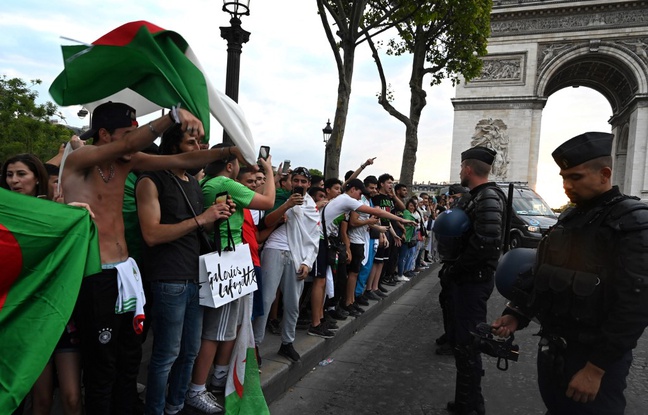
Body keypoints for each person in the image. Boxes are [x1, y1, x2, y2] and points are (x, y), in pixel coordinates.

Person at [61, 101, 248, 415]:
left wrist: (226, 153)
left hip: (127, 274)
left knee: (129, 357)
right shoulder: (80, 159)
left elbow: (182, 158)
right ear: (103, 134)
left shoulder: (126, 161)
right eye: (125, 134)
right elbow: (136, 143)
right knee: (101, 364)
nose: (133, 141)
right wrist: (172, 118)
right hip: (95, 275)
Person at [492, 132, 648, 415]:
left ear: (604, 174)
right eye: (563, 177)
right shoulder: (567, 218)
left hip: (593, 358)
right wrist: (517, 313)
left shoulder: (633, 223)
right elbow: (544, 275)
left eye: (575, 177)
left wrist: (596, 368)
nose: (566, 186)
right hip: (554, 348)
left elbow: (635, 306)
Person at [135, 124, 233, 415]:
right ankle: (155, 410)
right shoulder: (150, 180)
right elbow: (151, 234)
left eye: (202, 142)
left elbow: (198, 228)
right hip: (168, 278)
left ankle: (175, 406)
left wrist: (216, 216)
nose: (200, 147)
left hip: (195, 277)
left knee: (189, 352)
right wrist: (202, 219)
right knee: (166, 355)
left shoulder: (192, 180)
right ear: (173, 147)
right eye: (192, 142)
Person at [186, 143, 275, 412]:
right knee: (216, 330)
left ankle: (220, 377)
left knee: (232, 326)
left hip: (234, 262)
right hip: (228, 262)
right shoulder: (224, 182)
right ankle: (197, 388)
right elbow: (268, 202)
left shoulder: (210, 182)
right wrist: (268, 169)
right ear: (229, 165)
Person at [2, 153, 85, 415]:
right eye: (9, 175)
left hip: (57, 315)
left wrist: (76, 215)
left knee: (72, 397)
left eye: (21, 174)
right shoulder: (4, 214)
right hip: (22, 319)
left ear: (37, 178)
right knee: (40, 400)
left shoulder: (58, 212)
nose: (14, 181)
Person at [438, 146, 506, 415]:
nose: (459, 172)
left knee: (469, 345)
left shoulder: (487, 197)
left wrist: (455, 270)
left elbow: (486, 245)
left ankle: (472, 406)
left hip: (471, 281)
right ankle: (466, 400)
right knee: (462, 344)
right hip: (464, 280)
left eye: (460, 167)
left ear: (467, 168)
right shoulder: (477, 196)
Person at [252, 166, 320, 363]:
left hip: (298, 255)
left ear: (308, 184)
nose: (299, 184)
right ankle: (254, 345)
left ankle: (287, 343)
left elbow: (313, 237)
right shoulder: (280, 198)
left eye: (303, 181)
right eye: (295, 180)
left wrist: (308, 262)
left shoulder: (311, 207)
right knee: (266, 299)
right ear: (290, 181)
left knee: (292, 302)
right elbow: (266, 222)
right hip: (275, 248)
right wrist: (287, 205)